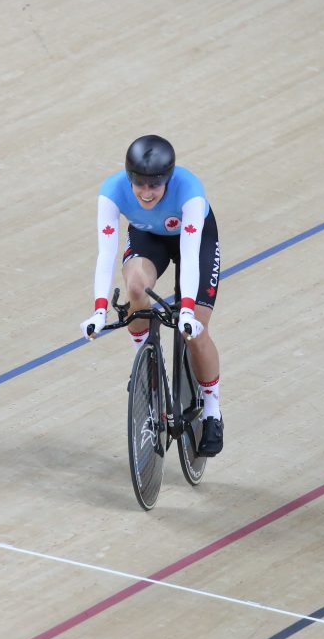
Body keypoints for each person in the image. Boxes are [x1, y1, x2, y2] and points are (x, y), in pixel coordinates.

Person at [79, 135, 224, 456]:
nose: (146, 193)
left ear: (168, 180)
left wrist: (186, 311)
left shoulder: (190, 194)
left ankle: (212, 409)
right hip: (148, 237)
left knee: (197, 330)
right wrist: (99, 311)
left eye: (154, 186)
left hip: (195, 241)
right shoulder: (111, 193)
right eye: (139, 185)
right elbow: (106, 256)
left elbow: (189, 256)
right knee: (134, 289)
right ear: (129, 178)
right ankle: (144, 362)